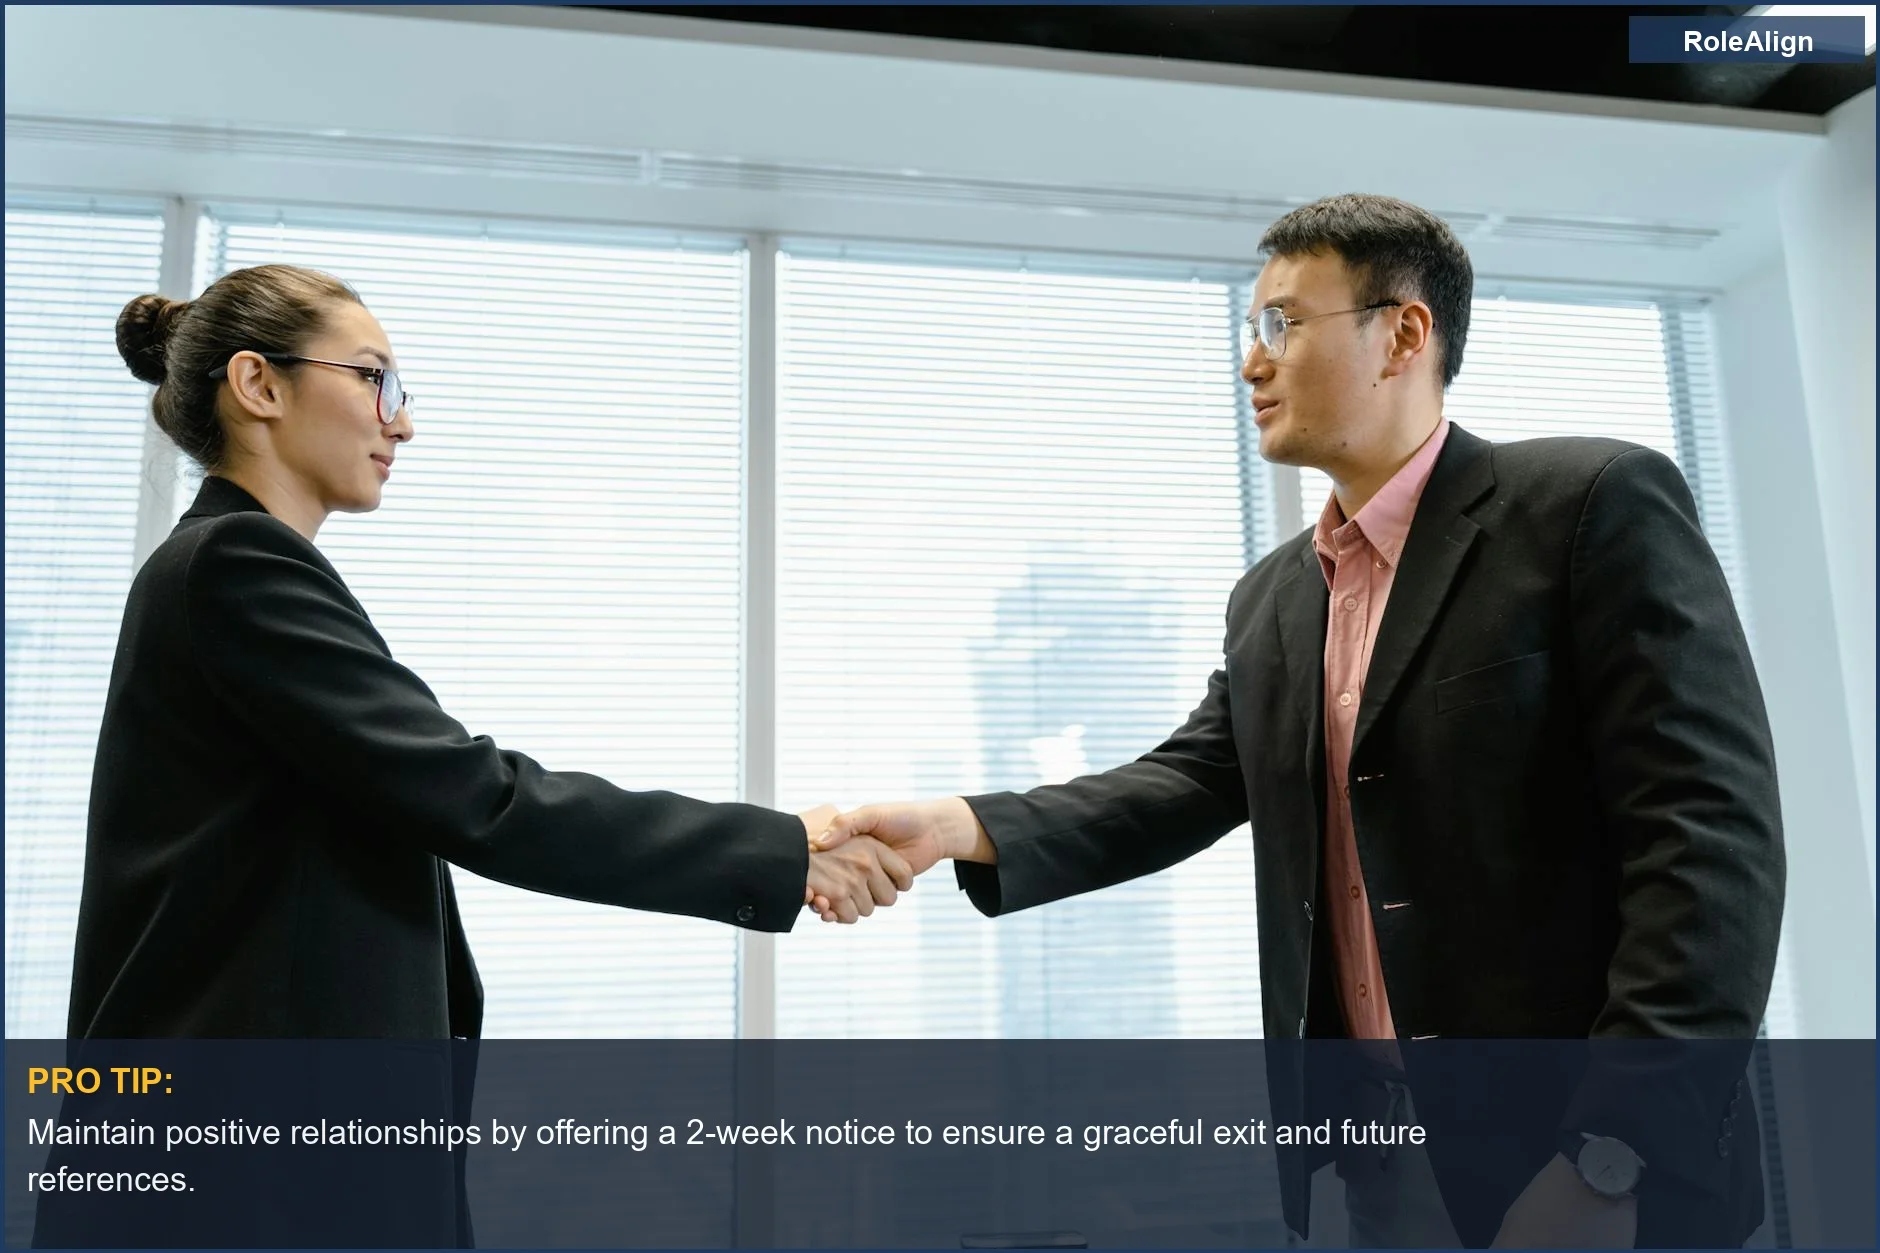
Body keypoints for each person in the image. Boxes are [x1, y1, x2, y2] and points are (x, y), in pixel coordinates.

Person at [812, 195, 1785, 1248]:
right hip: (1379, 1164)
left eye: (1281, 323)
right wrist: (958, 824)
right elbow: (1190, 777)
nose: (1249, 362)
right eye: (1249, 328)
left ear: (1401, 334)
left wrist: (1610, 1154)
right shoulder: (1274, 595)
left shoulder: (1587, 502)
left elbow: (1709, 843)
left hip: (1581, 1155)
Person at [72, 263, 908, 1041]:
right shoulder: (236, 565)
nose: (403, 421)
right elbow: (477, 796)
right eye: (375, 379)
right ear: (259, 383)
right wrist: (782, 848)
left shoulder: (228, 565)